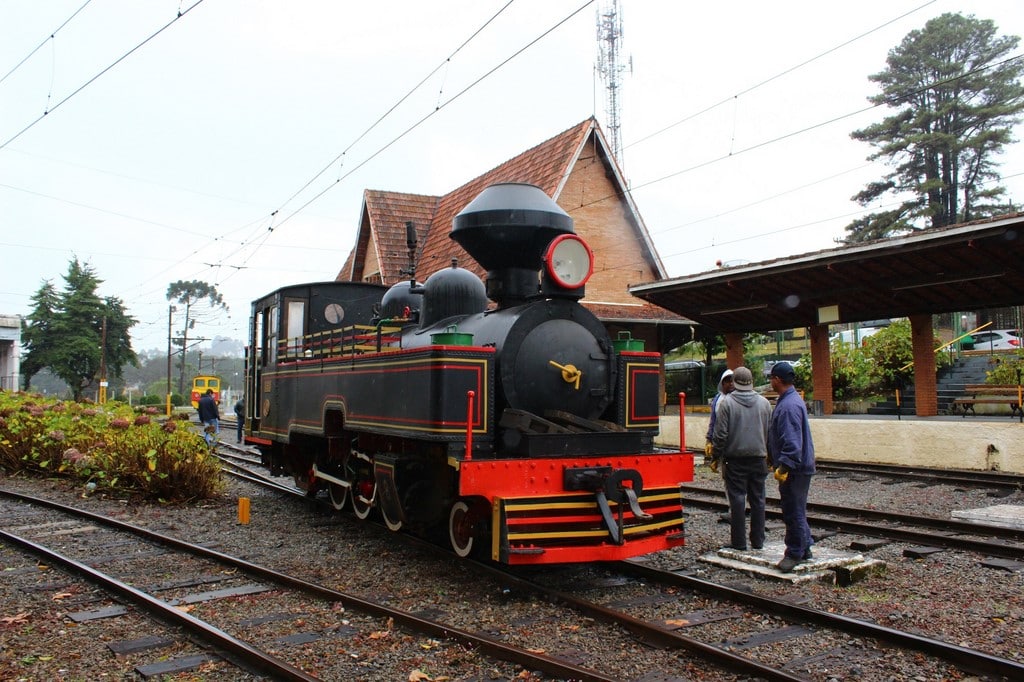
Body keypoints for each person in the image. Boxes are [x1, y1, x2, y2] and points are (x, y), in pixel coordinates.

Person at [711, 366, 771, 551]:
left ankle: (739, 542)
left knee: (737, 500)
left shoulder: (727, 403)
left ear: (735, 382)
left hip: (735, 460)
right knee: (758, 500)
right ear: (751, 381)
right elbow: (770, 432)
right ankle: (758, 541)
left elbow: (720, 434)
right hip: (759, 459)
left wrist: (715, 455)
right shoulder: (764, 403)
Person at [767, 361, 816, 572]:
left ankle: (794, 552)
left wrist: (784, 466)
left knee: (792, 510)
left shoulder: (788, 406)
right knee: (796, 508)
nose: (770, 382)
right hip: (800, 466)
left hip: (795, 469)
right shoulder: (793, 400)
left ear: (778, 379)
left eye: (771, 378)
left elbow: (792, 442)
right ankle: (805, 546)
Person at [704, 368, 735, 470]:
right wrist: (709, 439)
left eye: (732, 381)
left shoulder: (737, 399)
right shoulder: (717, 399)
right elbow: (713, 421)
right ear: (722, 383)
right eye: (727, 381)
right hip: (721, 439)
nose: (730, 384)